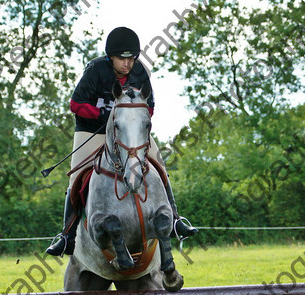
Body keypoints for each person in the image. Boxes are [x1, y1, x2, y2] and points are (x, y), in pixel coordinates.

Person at [46, 26, 197, 256]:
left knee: (160, 166)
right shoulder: (96, 69)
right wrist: (104, 117)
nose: (127, 64)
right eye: (121, 59)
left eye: (131, 59)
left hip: (129, 133)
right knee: (77, 175)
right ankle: (67, 236)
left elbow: (151, 107)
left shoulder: (140, 72)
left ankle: (176, 220)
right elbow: (75, 104)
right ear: (110, 57)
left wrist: (130, 121)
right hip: (92, 130)